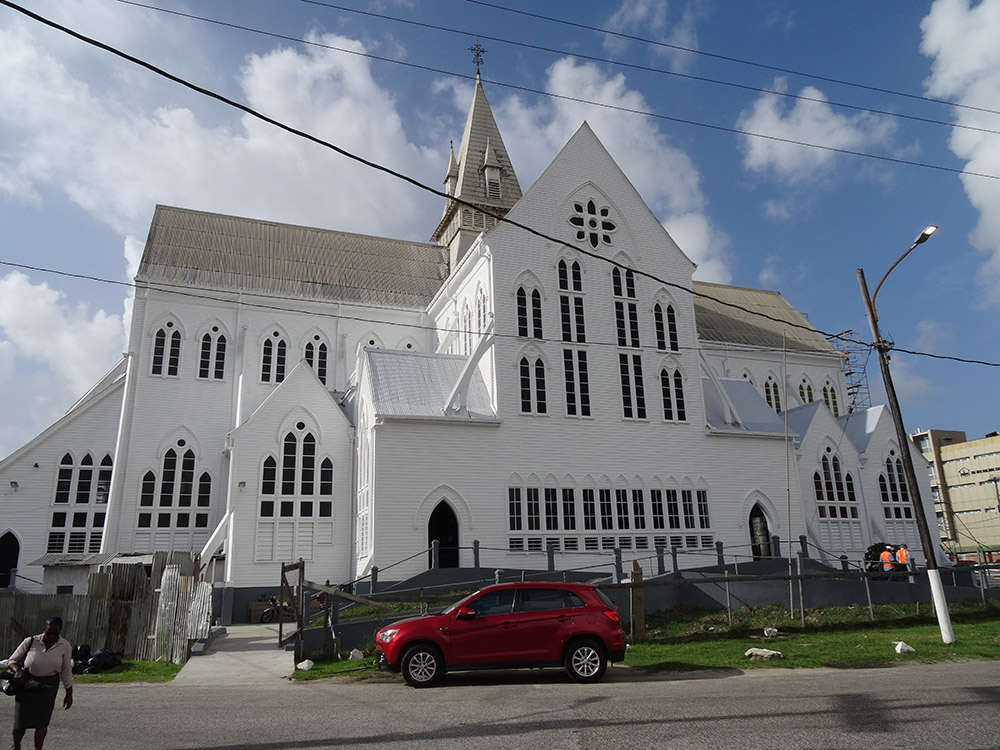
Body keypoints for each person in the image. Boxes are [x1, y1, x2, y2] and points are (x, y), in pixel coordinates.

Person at [6, 617, 73, 750]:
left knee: (42, 722)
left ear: (60, 631)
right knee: (20, 722)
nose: (51, 636)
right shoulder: (31, 641)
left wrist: (69, 693)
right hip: (26, 684)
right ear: (44, 629)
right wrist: (18, 671)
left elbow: (66, 670)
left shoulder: (65, 646)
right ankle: (17, 746)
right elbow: (11, 661)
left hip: (48, 687)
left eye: (55, 633)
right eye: (48, 632)